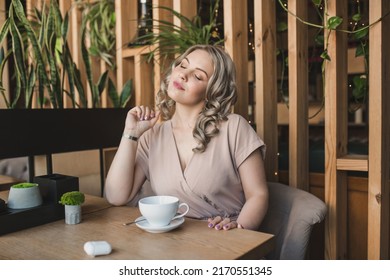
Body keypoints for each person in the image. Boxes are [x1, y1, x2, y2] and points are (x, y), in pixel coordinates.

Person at [105, 44, 268, 231]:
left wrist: (238, 227)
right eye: (182, 66)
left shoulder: (234, 127)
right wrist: (131, 134)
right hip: (172, 243)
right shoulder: (152, 136)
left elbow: (258, 195)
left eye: (198, 76)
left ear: (212, 92)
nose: (183, 75)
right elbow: (116, 196)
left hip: (224, 241)